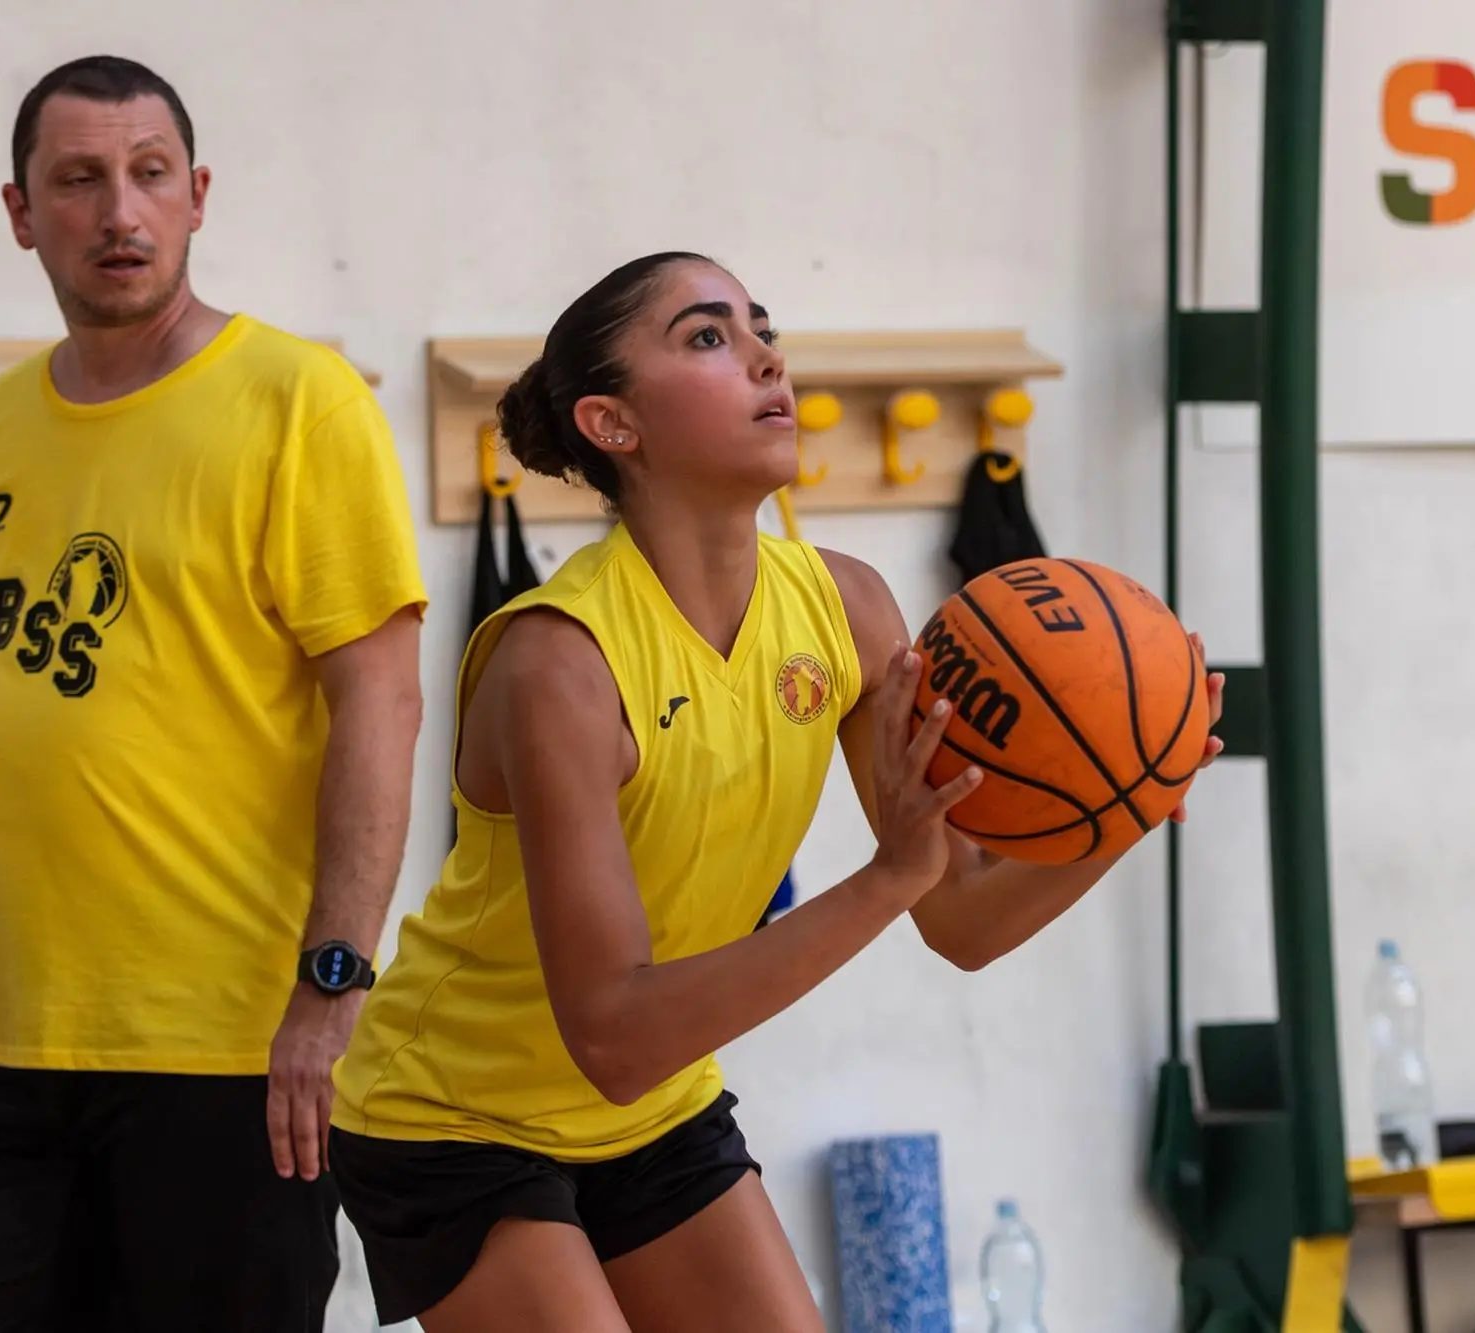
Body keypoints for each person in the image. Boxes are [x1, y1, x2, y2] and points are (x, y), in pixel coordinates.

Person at [327, 251, 1225, 1332]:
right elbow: (611, 1034)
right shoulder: (558, 663)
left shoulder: (847, 607)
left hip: (653, 1109)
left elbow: (962, 919)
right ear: (615, 426)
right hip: (455, 1117)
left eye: (761, 327)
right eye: (707, 337)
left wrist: (1129, 797)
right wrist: (889, 874)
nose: (763, 355)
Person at [0, 55, 428, 1332]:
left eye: (150, 175)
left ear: (199, 195)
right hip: (16, 1053)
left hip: (235, 1057)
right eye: (81, 180)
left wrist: (332, 986)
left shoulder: (298, 404)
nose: (120, 212)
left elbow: (382, 700)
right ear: (20, 210)